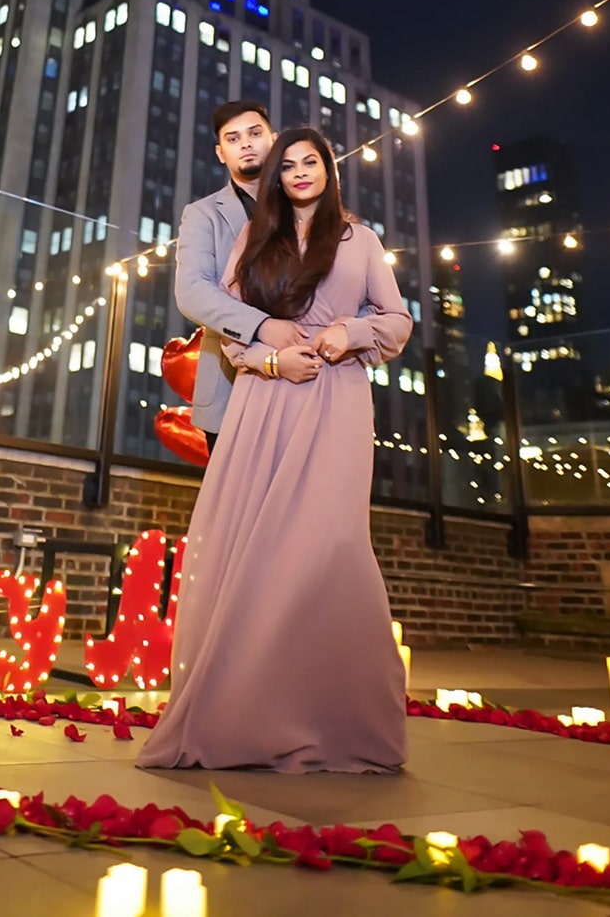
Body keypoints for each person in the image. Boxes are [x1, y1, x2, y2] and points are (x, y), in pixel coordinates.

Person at [139, 125, 412, 774]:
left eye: (309, 160)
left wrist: (353, 330)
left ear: (327, 168)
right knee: (258, 549)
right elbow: (230, 334)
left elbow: (399, 322)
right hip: (265, 402)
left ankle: (341, 721)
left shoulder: (361, 240)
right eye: (287, 164)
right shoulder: (254, 240)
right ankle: (242, 714)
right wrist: (271, 360)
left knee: (332, 545)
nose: (298, 171)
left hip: (338, 400)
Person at [173, 102, 311, 457]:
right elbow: (191, 292)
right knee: (234, 512)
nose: (246, 144)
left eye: (255, 134)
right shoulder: (202, 214)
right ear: (221, 153)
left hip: (310, 383)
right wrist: (261, 326)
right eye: (233, 139)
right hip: (229, 390)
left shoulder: (311, 205)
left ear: (275, 140)